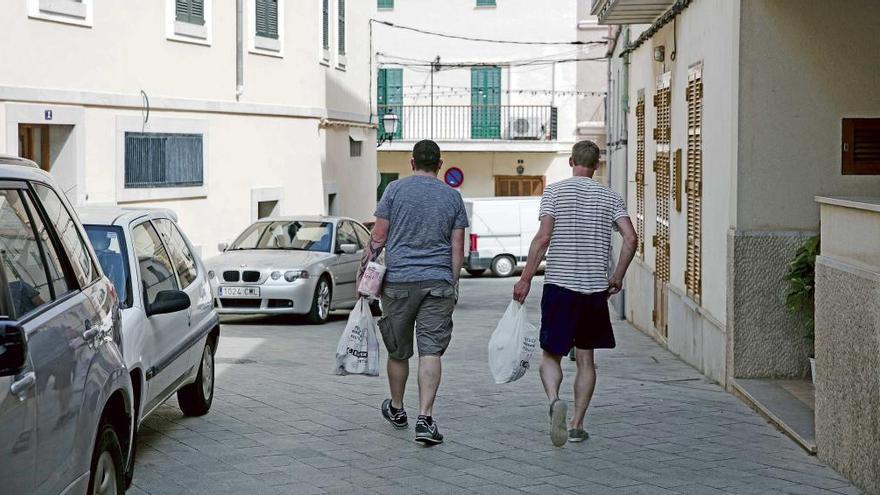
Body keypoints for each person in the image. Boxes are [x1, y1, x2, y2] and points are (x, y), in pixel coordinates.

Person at [513, 140, 638, 447]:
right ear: (597, 165)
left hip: (559, 285)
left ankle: (555, 399)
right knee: (586, 359)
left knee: (550, 355)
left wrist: (525, 278)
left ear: (571, 162)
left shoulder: (555, 192)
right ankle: (577, 424)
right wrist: (617, 277)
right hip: (594, 289)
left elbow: (543, 238)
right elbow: (631, 238)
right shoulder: (611, 197)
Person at [361, 139, 468, 445]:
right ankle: (425, 418)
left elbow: (378, 236)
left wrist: (364, 271)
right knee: (430, 351)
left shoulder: (394, 190)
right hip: (437, 283)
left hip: (398, 283)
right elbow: (456, 249)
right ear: (440, 164)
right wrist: (453, 283)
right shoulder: (452, 198)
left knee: (398, 351)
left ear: (411, 163)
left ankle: (397, 409)